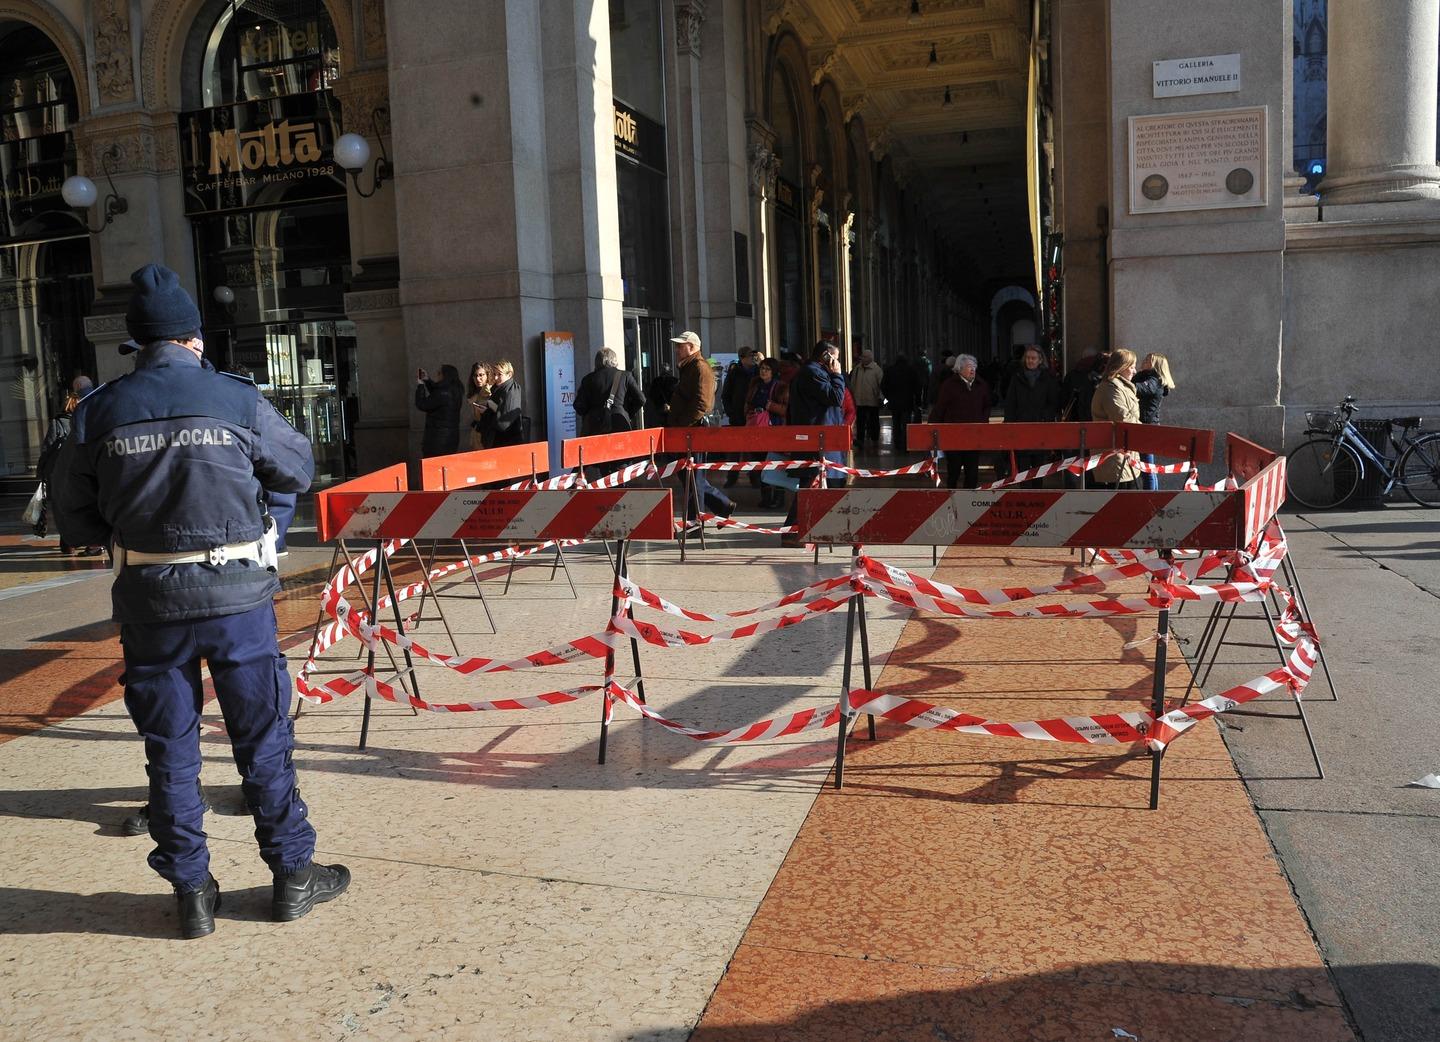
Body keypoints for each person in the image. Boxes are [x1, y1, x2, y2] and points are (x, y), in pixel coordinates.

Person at [51, 263, 348, 940]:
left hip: (151, 598)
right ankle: (292, 876)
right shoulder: (236, 399)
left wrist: (137, 534)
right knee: (262, 738)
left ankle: (192, 893)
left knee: (170, 748)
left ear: (137, 344)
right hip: (240, 598)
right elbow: (297, 467)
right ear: (194, 338)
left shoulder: (98, 411)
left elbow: (76, 517)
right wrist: (262, 518)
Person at [779, 341, 846, 541]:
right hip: (818, 441)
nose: (837, 362)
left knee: (820, 483)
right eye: (835, 357)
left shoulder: (809, 372)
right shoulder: (813, 373)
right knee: (812, 482)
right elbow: (836, 397)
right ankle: (793, 531)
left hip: (820, 438)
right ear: (826, 356)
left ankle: (805, 528)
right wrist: (837, 374)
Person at [667, 330, 735, 520]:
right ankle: (722, 505)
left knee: (693, 479)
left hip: (693, 432)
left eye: (681, 346)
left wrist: (682, 425)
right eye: (677, 346)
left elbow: (702, 404)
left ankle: (694, 521)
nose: (677, 349)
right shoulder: (689, 367)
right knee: (690, 477)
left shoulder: (699, 368)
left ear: (692, 347)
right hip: (687, 431)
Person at [36, 376, 102, 555]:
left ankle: (68, 544)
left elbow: (48, 448)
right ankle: (93, 544)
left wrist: (41, 471)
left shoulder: (58, 422)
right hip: (85, 470)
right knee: (88, 504)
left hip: (61, 472)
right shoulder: (94, 416)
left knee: (64, 507)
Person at [928, 353, 992, 489]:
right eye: (969, 366)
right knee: (954, 471)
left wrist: (983, 422)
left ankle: (969, 502)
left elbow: (987, 405)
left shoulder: (981, 385)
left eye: (974, 366)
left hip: (974, 436)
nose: (973, 369)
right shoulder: (949, 385)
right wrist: (931, 428)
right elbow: (940, 408)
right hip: (954, 436)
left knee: (972, 473)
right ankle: (952, 499)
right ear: (959, 369)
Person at [1003, 344, 1063, 483]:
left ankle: (1038, 492)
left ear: (1040, 360)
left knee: (1039, 466)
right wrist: (1009, 424)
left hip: (1040, 427)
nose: (1030, 361)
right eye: (1028, 358)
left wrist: (1045, 417)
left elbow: (1053, 402)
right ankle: (1025, 492)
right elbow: (1010, 403)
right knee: (1022, 466)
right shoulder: (1017, 377)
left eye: (1033, 358)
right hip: (1021, 427)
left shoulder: (1048, 378)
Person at [1090, 348, 1141, 489]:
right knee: (1119, 501)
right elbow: (1122, 418)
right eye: (1132, 367)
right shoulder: (1111, 388)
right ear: (1121, 367)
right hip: (1114, 455)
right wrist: (1144, 429)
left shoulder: (1120, 387)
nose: (1134, 371)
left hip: (1124, 452)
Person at [574, 347, 644, 435]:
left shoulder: (588, 379)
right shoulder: (626, 376)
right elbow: (641, 399)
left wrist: (590, 413)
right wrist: (626, 412)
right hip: (620, 425)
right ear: (614, 360)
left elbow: (578, 406)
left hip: (594, 428)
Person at [1132, 352, 1176, 490]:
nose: (1143, 361)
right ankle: (1153, 495)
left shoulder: (1154, 380)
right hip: (1148, 426)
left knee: (1148, 469)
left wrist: (1124, 384)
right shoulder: (1149, 378)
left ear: (1155, 365)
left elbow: (1141, 389)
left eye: (1147, 360)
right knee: (1148, 468)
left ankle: (1151, 497)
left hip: (1147, 427)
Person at [414, 363, 464, 456]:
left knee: (433, 467)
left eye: (439, 373)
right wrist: (427, 380)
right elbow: (436, 395)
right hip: (451, 438)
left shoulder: (442, 393)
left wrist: (420, 385)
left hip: (437, 440)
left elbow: (422, 404)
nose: (437, 375)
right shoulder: (455, 391)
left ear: (445, 375)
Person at [847, 349, 885, 452]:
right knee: (860, 422)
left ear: (869, 358)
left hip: (872, 400)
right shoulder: (857, 369)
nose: (862, 359)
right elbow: (852, 383)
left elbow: (881, 385)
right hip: (859, 400)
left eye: (864, 357)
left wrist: (881, 398)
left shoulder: (877, 370)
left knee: (874, 421)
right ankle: (860, 440)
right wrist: (853, 396)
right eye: (862, 357)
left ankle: (875, 439)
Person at [484, 359, 525, 446]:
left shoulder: (512, 389)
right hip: (499, 438)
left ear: (509, 375)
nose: (495, 378)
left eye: (499, 374)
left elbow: (506, 417)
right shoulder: (499, 388)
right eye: (495, 374)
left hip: (509, 440)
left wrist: (493, 406)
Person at [880, 355, 916, 452]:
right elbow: (917, 386)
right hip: (907, 402)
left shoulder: (890, 370)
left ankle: (897, 444)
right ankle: (905, 445)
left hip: (894, 402)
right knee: (906, 424)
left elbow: (883, 385)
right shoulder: (911, 370)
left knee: (896, 423)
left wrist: (888, 397)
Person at [466, 362, 494, 450]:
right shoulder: (475, 393)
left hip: (488, 435)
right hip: (477, 433)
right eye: (475, 375)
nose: (478, 379)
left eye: (481, 375)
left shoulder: (492, 391)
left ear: (487, 375)